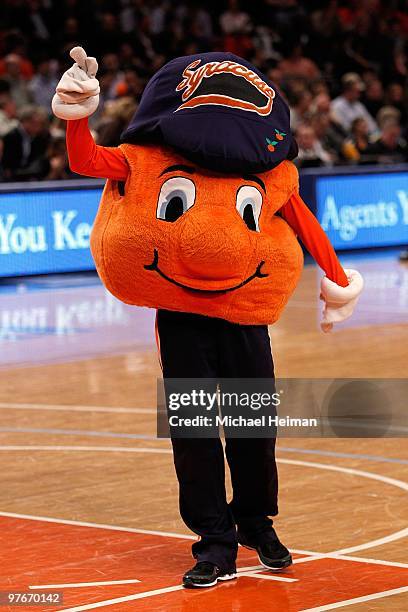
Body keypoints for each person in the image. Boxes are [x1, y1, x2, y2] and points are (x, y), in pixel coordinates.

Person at [53, 46, 363, 589]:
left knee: (253, 428)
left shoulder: (269, 172)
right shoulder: (146, 157)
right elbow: (87, 160)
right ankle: (214, 541)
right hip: (183, 316)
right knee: (194, 432)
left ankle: (256, 524)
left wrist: (336, 279)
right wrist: (79, 115)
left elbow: (303, 221)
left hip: (245, 315)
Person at [2, 104, 49, 181]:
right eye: (36, 123)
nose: (39, 127)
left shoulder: (40, 137)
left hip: (31, 176)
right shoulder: (10, 137)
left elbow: (39, 160)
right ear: (25, 122)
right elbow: (7, 165)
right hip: (11, 178)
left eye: (41, 124)